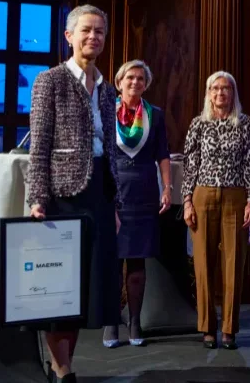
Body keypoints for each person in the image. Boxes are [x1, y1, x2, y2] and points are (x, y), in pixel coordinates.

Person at [27, 4, 121, 383]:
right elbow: (39, 146)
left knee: (87, 287)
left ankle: (63, 365)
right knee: (59, 286)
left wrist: (115, 203)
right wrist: (38, 198)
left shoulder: (108, 90)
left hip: (100, 193)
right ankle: (62, 369)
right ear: (69, 36)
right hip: (62, 195)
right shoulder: (49, 81)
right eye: (86, 30)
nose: (93, 37)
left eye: (99, 31)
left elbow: (111, 149)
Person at [181, 71, 250, 350]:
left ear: (233, 93)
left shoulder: (245, 124)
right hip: (203, 195)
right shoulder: (198, 124)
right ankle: (207, 327)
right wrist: (187, 201)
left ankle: (229, 329)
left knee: (234, 263)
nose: (220, 93)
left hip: (235, 196)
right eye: (215, 88)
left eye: (225, 88)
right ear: (208, 93)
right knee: (203, 263)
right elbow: (190, 164)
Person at [102, 60, 171, 348]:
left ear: (146, 84)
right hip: (113, 190)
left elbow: (163, 154)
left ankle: (134, 321)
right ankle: (110, 321)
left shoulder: (155, 115)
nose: (135, 82)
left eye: (141, 78)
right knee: (112, 261)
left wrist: (167, 187)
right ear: (119, 82)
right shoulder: (106, 112)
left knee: (137, 260)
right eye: (130, 77)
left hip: (144, 192)